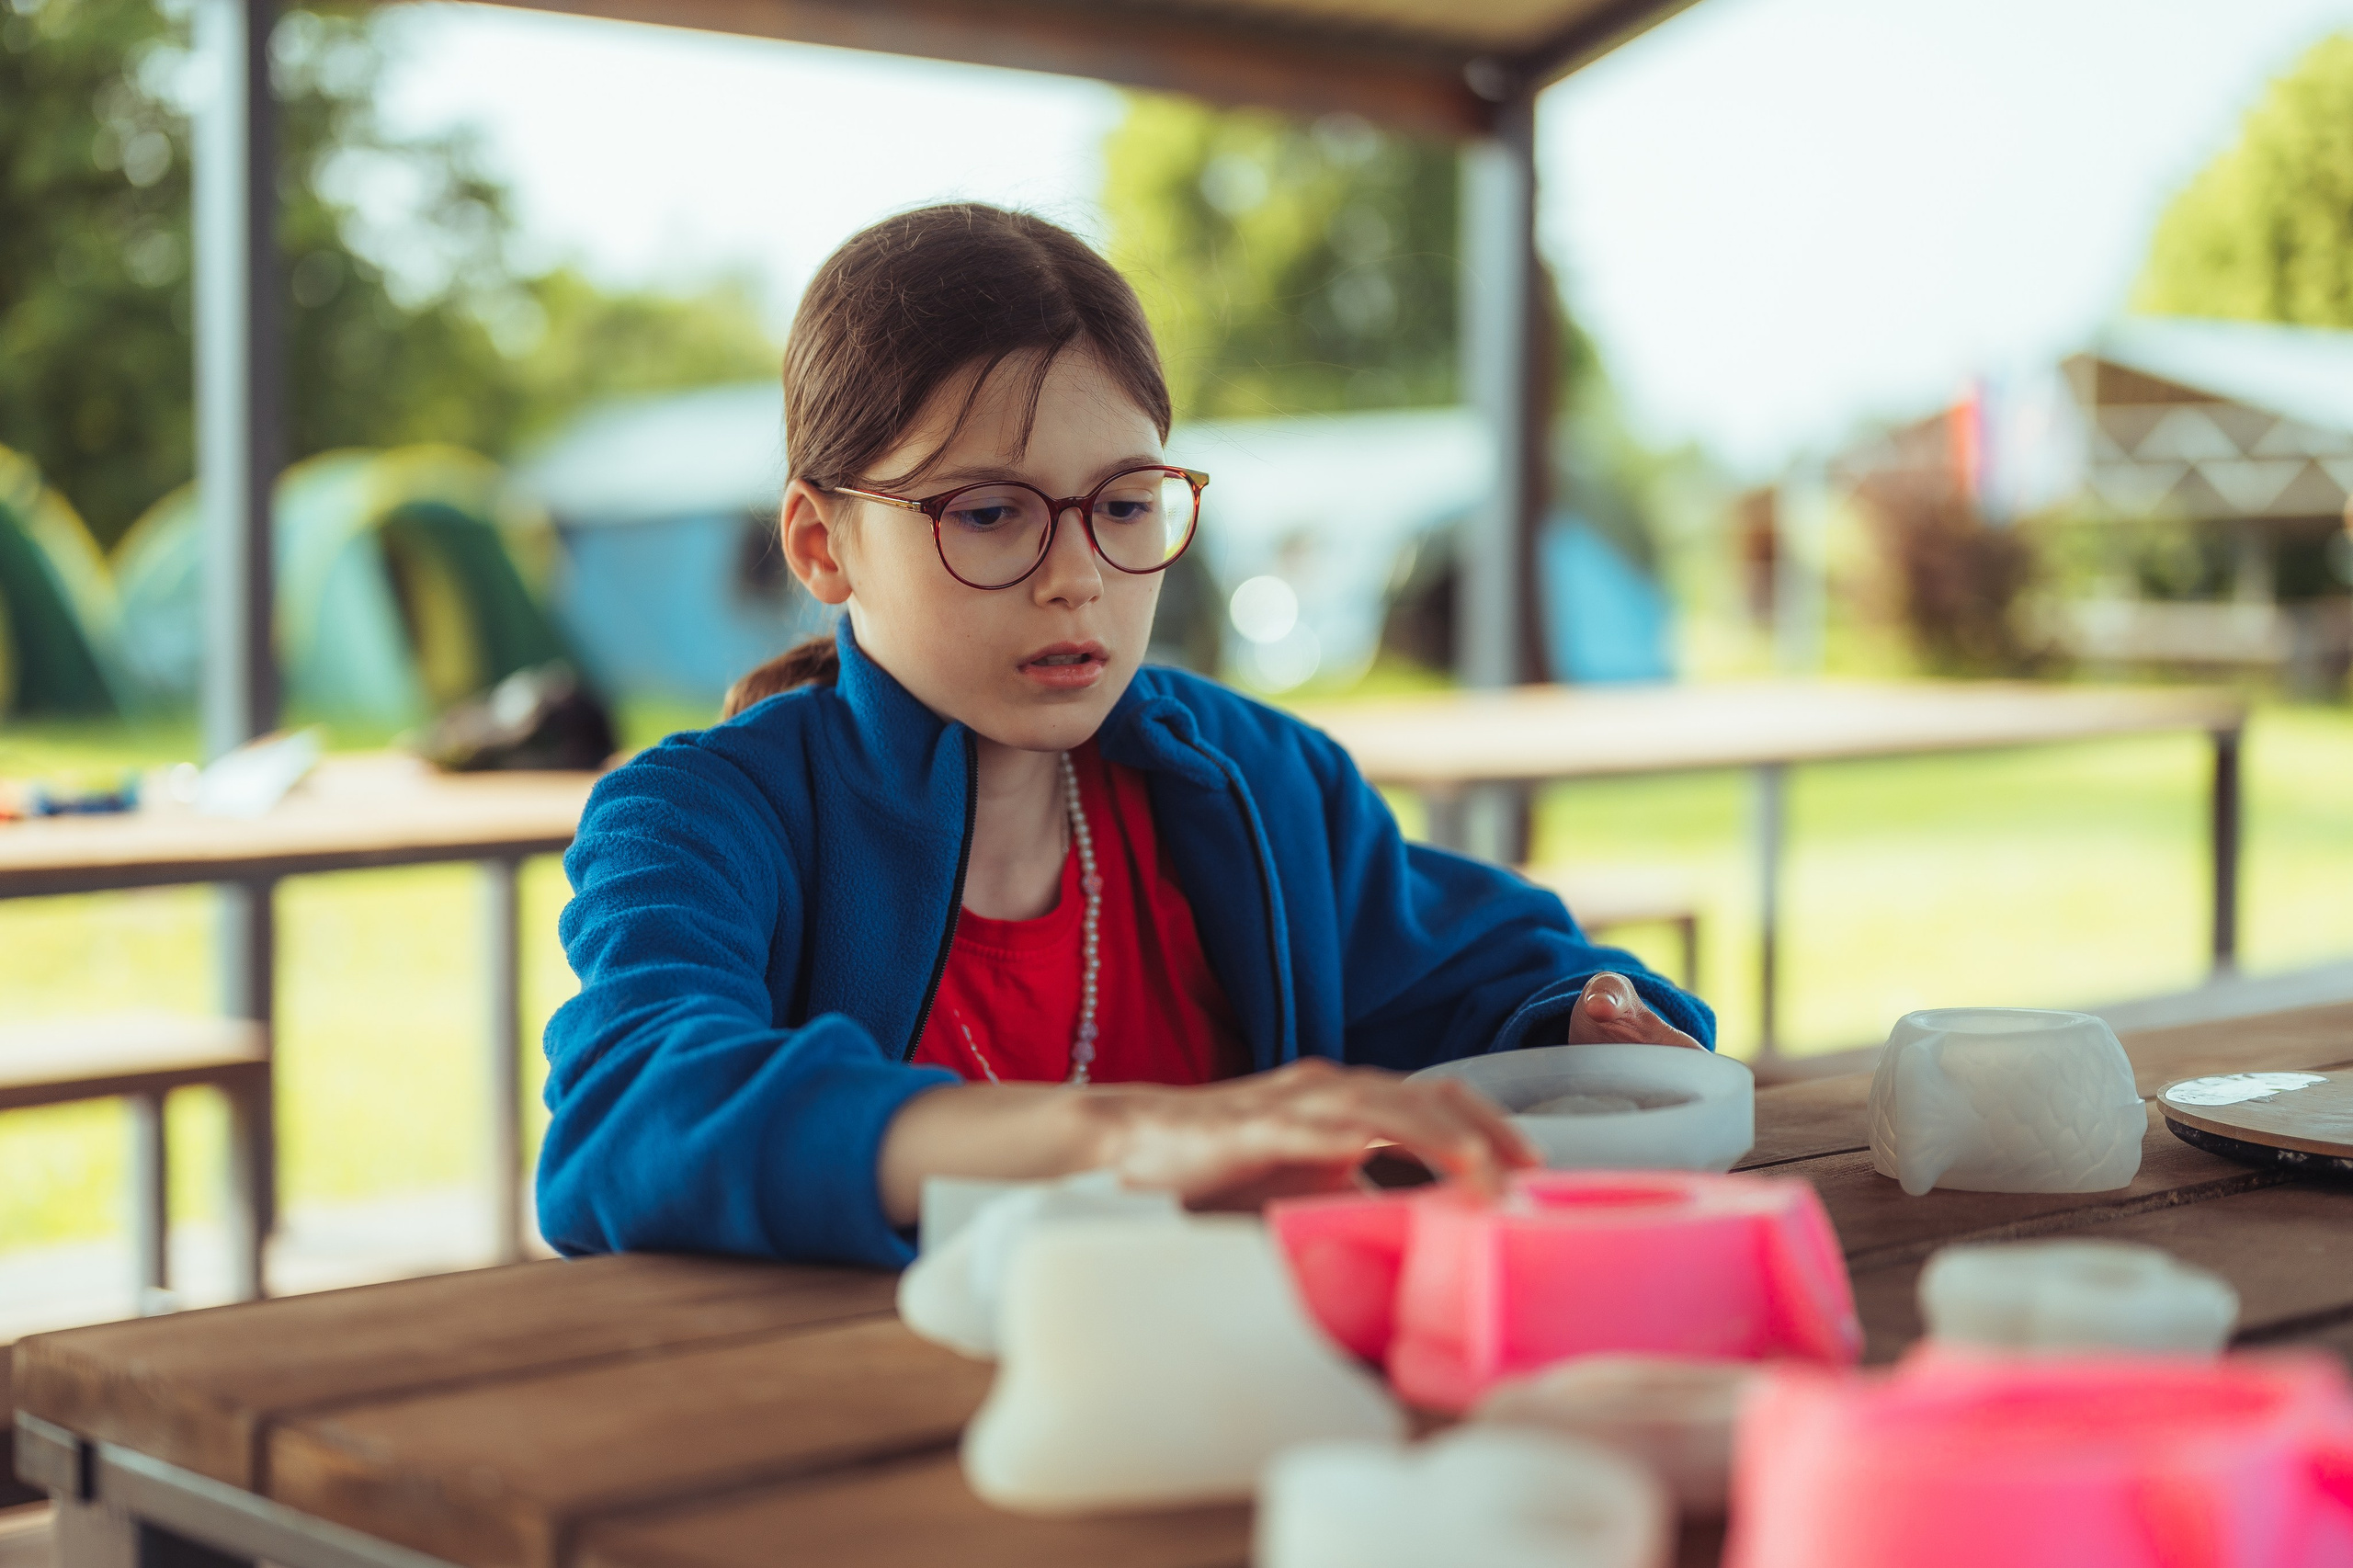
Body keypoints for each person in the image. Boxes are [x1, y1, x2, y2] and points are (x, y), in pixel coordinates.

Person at [538, 204, 1715, 1269]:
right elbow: (629, 1113)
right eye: (989, 513)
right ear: (820, 543)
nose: (1076, 579)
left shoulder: (1266, 782)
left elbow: (1478, 969)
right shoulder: (699, 817)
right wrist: (1131, 1129)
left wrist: (1578, 1015)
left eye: (1123, 505)